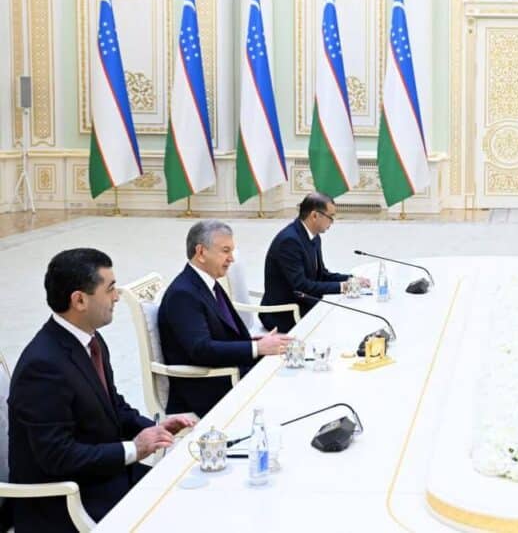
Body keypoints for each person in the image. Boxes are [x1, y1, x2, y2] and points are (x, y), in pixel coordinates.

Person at [7, 249, 195, 531]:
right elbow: (58, 456)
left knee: (189, 486)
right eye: (110, 289)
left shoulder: (91, 340)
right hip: (66, 501)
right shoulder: (42, 366)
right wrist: (134, 449)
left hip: (103, 475)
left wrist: (155, 429)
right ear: (79, 300)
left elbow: (113, 406)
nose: (117, 297)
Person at [159, 220, 291, 417]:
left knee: (291, 368)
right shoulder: (183, 294)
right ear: (201, 252)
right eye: (225, 251)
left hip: (229, 371)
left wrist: (256, 342)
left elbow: (222, 333)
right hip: (207, 388)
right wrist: (256, 348)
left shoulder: (207, 282)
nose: (232, 259)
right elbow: (201, 350)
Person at [260, 192, 369, 333]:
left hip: (304, 302)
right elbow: (301, 286)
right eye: (330, 217)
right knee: (343, 320)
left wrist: (351, 279)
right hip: (284, 313)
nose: (332, 222)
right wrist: (343, 287)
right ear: (315, 216)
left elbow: (321, 274)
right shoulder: (289, 241)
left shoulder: (314, 237)